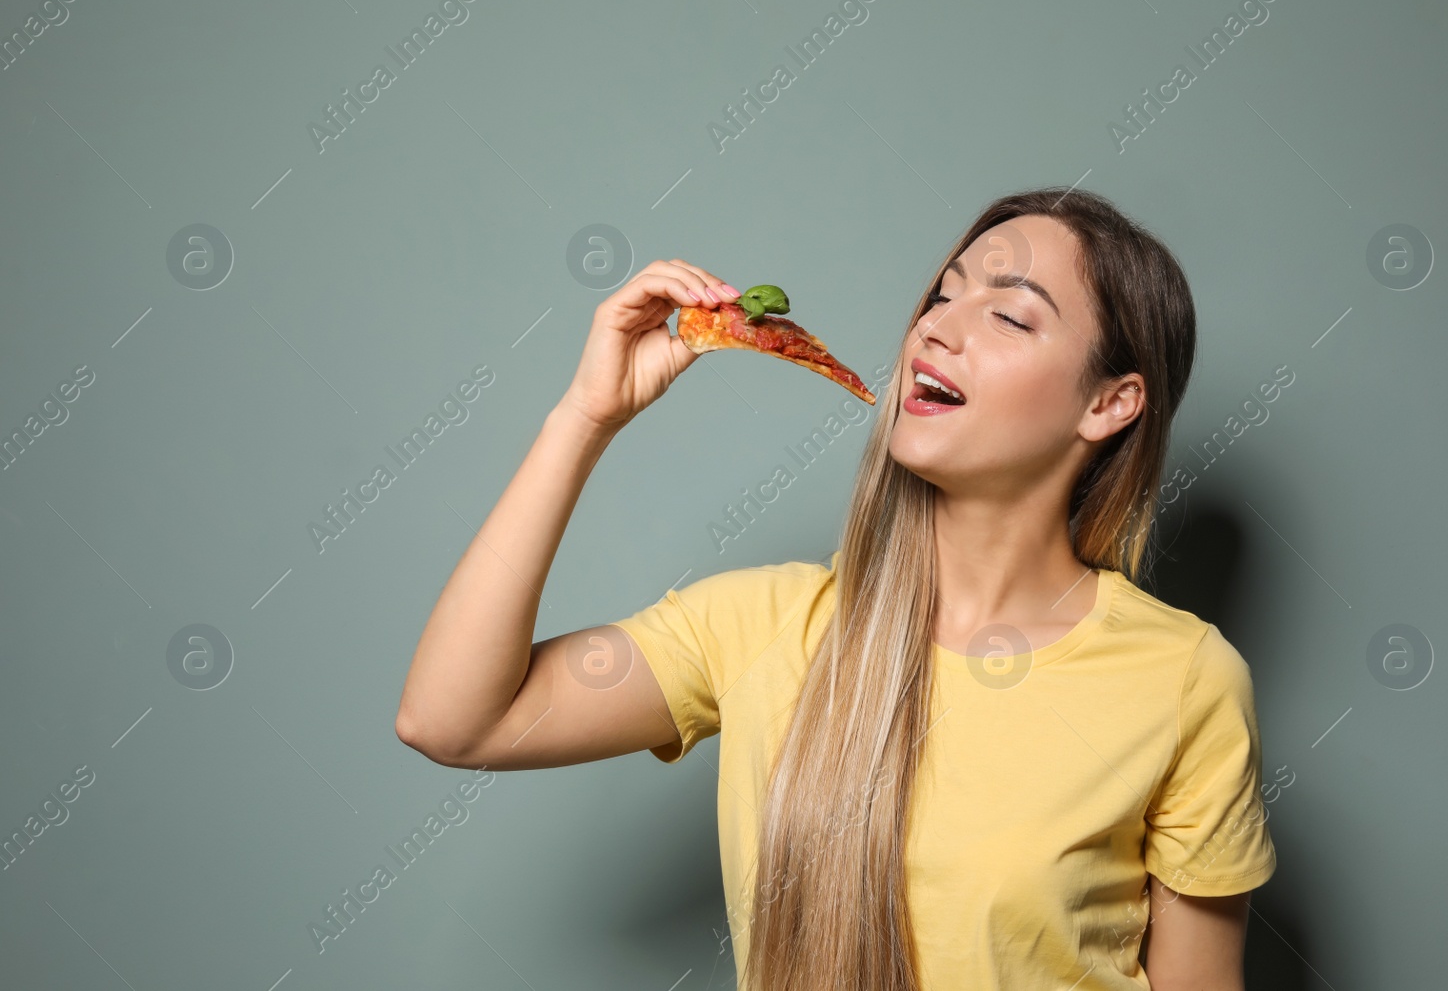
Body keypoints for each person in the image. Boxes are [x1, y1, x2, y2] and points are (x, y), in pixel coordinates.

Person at [395, 187, 1277, 990]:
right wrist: (584, 417)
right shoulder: (756, 624)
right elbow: (454, 718)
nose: (937, 327)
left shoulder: (1183, 678)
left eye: (1009, 316)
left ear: (1110, 403)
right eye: (943, 293)